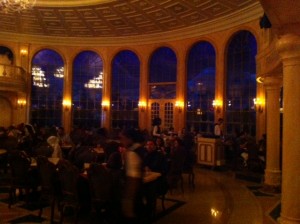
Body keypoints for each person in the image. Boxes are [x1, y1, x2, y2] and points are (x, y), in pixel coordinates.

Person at [119, 128, 146, 223]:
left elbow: (133, 175)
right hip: (139, 187)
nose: (121, 141)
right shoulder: (138, 148)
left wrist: (128, 195)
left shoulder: (132, 152)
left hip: (133, 187)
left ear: (130, 139)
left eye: (123, 138)